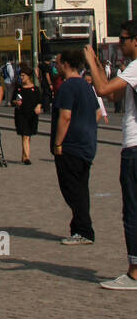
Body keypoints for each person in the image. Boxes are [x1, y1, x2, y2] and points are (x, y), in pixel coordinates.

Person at [84, 28, 137, 288]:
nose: (120, 43)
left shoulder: (136, 67)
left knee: (132, 211)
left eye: (124, 39)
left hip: (135, 147)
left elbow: (103, 90)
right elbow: (116, 94)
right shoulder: (131, 69)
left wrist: (92, 61)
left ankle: (135, 272)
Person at [51, 49, 99, 245]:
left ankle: (84, 230)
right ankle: (78, 227)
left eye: (58, 62)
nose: (55, 66)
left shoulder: (68, 87)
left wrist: (58, 142)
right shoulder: (86, 86)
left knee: (72, 189)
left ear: (66, 64)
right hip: (86, 144)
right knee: (80, 187)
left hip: (71, 146)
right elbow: (96, 112)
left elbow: (65, 116)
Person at [11, 63, 42, 164]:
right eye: (21, 75)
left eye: (23, 75)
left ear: (29, 77)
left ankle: (24, 155)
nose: (21, 77)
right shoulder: (18, 88)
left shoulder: (35, 89)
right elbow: (12, 101)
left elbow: (40, 101)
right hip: (21, 114)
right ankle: (27, 157)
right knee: (25, 135)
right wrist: (16, 102)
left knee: (28, 136)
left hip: (32, 115)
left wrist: (39, 106)